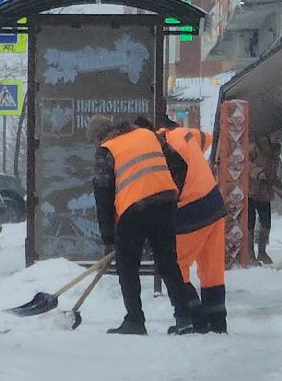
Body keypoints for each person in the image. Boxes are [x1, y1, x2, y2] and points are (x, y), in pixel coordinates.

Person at [92, 116, 199, 336]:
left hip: (134, 209)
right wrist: (172, 193)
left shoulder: (106, 149)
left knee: (128, 266)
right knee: (167, 261)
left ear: (98, 136)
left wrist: (108, 239)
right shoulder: (147, 134)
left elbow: (103, 195)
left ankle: (135, 320)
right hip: (164, 202)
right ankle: (184, 318)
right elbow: (179, 164)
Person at [159, 115, 227, 333]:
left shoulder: (166, 145)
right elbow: (207, 139)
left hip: (190, 211)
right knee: (212, 270)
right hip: (215, 205)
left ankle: (195, 320)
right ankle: (217, 323)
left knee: (177, 266)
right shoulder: (190, 135)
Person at [246, 133, 282, 265]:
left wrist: (280, 189)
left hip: (265, 193)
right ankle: (250, 253)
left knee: (266, 224)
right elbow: (245, 163)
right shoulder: (256, 146)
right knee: (249, 223)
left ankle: (262, 252)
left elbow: (273, 175)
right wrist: (258, 172)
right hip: (251, 191)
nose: (278, 136)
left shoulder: (276, 151)